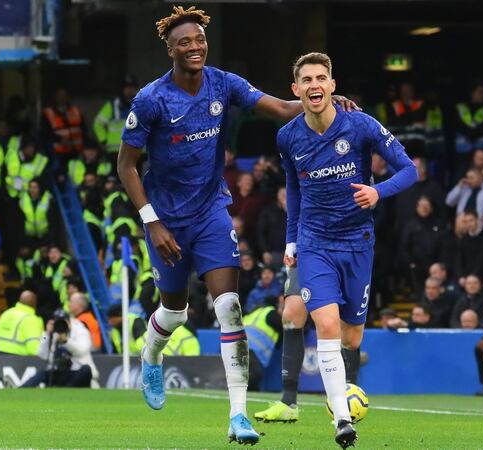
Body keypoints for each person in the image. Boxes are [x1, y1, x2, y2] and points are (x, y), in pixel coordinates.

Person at [116, 6, 356, 445]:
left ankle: (238, 416)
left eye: (199, 40)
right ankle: (152, 354)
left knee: (229, 307)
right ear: (170, 49)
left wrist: (320, 101)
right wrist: (152, 222)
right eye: (184, 42)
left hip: (211, 211)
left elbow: (279, 107)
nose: (194, 47)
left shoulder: (222, 83)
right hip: (166, 219)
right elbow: (126, 166)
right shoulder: (151, 99)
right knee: (175, 311)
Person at [277, 52, 416, 447]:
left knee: (352, 338)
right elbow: (294, 190)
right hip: (314, 244)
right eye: (307, 79)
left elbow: (410, 170)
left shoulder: (360, 125)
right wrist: (291, 241)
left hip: (357, 244)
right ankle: (341, 419)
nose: (314, 85)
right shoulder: (287, 137)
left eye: (321, 78)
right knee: (327, 326)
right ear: (296, 89)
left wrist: (378, 192)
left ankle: (345, 396)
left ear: (332, 85)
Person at [20, 310, 96, 388]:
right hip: (60, 372)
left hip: (78, 371)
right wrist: (46, 334)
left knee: (86, 369)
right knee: (42, 373)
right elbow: (41, 353)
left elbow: (82, 350)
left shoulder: (81, 331)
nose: (61, 326)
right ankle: (21, 390)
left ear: (69, 321)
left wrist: (66, 341)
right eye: (58, 323)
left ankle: (66, 391)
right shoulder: (51, 333)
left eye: (64, 322)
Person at [94, 75, 139, 156]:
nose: (130, 90)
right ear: (122, 90)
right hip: (115, 152)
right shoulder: (112, 105)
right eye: (127, 88)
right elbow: (98, 124)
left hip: (137, 151)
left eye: (133, 87)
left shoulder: (142, 105)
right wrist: (103, 140)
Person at [0, 290, 44, 355]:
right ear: (35, 303)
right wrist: (46, 336)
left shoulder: (7, 313)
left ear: (20, 300)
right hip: (20, 358)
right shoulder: (32, 319)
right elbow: (34, 348)